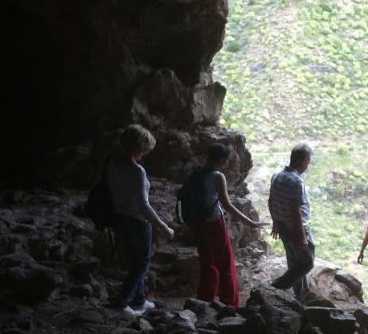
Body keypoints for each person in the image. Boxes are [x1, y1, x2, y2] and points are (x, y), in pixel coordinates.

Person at [106, 124, 173, 316]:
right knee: (142, 263)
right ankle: (123, 302)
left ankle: (140, 299)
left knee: (135, 260)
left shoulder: (112, 162)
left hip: (120, 217)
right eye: (144, 150)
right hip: (137, 221)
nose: (145, 154)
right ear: (138, 147)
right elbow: (143, 205)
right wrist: (163, 226)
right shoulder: (137, 171)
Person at [189, 142, 262, 308]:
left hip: (199, 223)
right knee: (225, 263)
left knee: (207, 262)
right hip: (214, 223)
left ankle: (204, 299)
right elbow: (227, 205)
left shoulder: (197, 173)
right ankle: (229, 303)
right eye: (227, 159)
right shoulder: (217, 176)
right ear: (223, 160)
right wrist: (250, 222)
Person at [268, 144, 315, 300]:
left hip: (283, 227)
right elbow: (295, 212)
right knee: (307, 262)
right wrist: (301, 237)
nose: (308, 165)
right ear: (302, 161)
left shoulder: (277, 176)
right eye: (308, 161)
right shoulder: (296, 181)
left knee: (293, 261)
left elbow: (270, 201)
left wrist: (275, 222)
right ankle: (277, 286)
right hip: (296, 229)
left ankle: (301, 294)